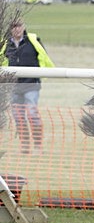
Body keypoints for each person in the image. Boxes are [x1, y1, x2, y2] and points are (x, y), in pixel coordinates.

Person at [1, 18, 55, 154]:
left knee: (32, 114)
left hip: (31, 84)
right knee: (18, 117)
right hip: (13, 87)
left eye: (19, 26)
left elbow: (44, 57)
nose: (16, 29)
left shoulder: (33, 41)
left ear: (23, 26)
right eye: (13, 26)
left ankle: (38, 146)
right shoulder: (6, 44)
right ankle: (25, 145)